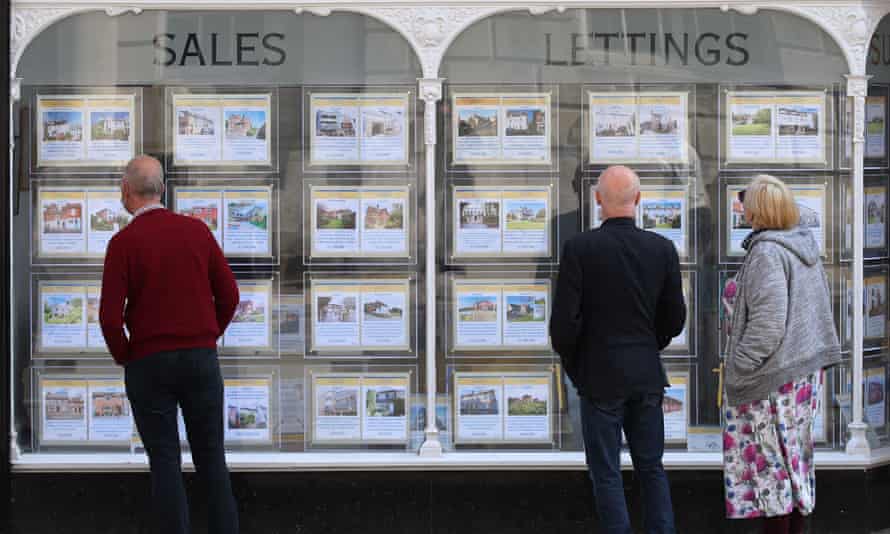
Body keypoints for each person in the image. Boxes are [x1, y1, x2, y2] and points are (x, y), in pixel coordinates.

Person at [99, 155, 240, 534]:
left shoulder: (123, 243)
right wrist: (207, 337)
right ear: (162, 189)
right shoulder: (197, 232)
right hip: (199, 360)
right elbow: (229, 294)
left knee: (164, 462)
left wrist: (127, 356)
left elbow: (111, 318)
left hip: (149, 364)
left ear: (126, 192)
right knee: (212, 458)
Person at [550, 165, 685, 534]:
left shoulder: (580, 248)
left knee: (606, 472)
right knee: (651, 466)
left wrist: (580, 364)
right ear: (638, 200)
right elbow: (675, 317)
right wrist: (646, 345)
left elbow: (563, 325)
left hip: (599, 378)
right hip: (645, 375)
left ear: (597, 201)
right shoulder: (662, 248)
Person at [722, 175, 841, 534]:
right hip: (799, 376)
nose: (741, 208)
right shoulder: (800, 243)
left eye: (746, 202)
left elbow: (768, 325)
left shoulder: (768, 253)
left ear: (758, 211)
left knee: (772, 474)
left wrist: (738, 366)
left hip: (772, 380)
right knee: (794, 467)